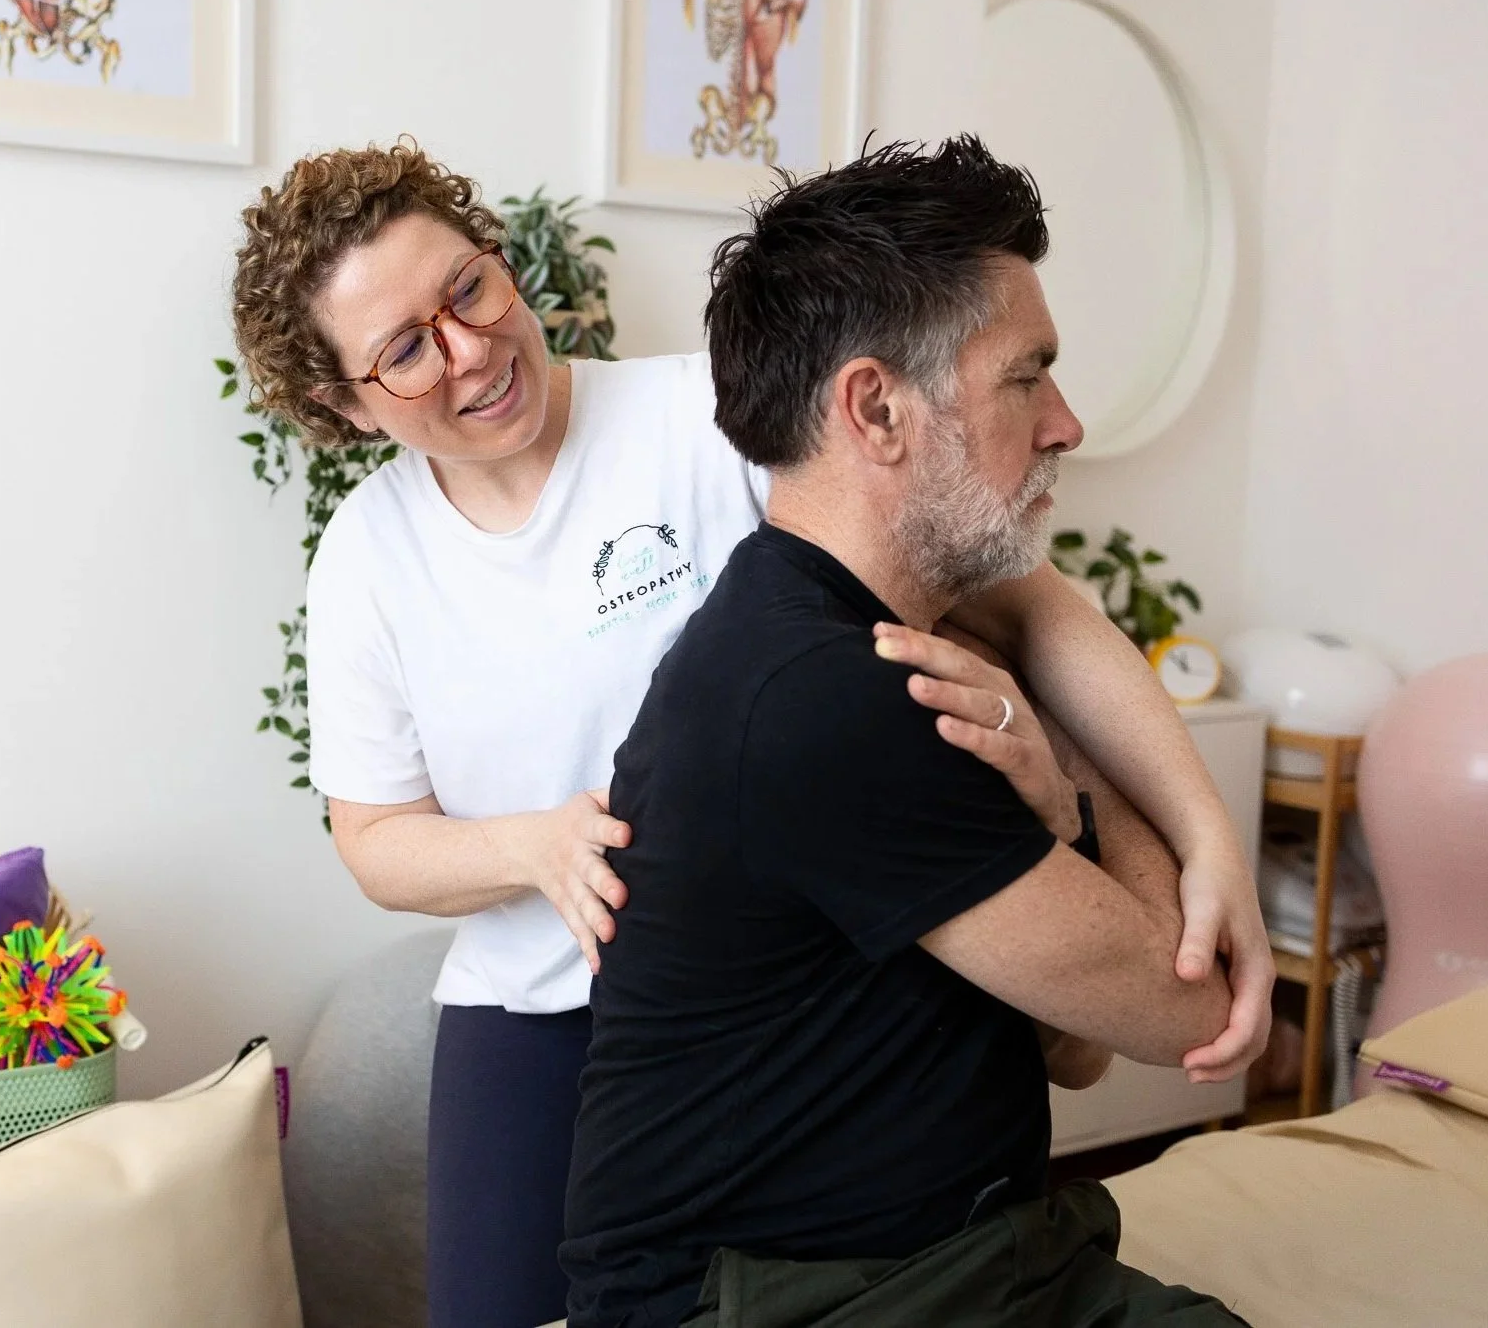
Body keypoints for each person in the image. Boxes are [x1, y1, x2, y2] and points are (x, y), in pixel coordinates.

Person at [229, 139, 1270, 1328]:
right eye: (406, 350)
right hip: (542, 999)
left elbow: (1027, 606)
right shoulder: (369, 558)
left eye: (467, 289)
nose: (468, 349)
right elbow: (373, 836)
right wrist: (534, 848)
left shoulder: (702, 417)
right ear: (342, 406)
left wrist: (1202, 838)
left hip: (788, 981)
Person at [561, 136, 1258, 1327]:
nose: (1067, 424)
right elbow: (1195, 1015)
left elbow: (1070, 1051)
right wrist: (1079, 776)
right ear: (876, 407)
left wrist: (1068, 808)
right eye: (1025, 377)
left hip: (959, 1263)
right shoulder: (826, 695)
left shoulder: (876, 639)